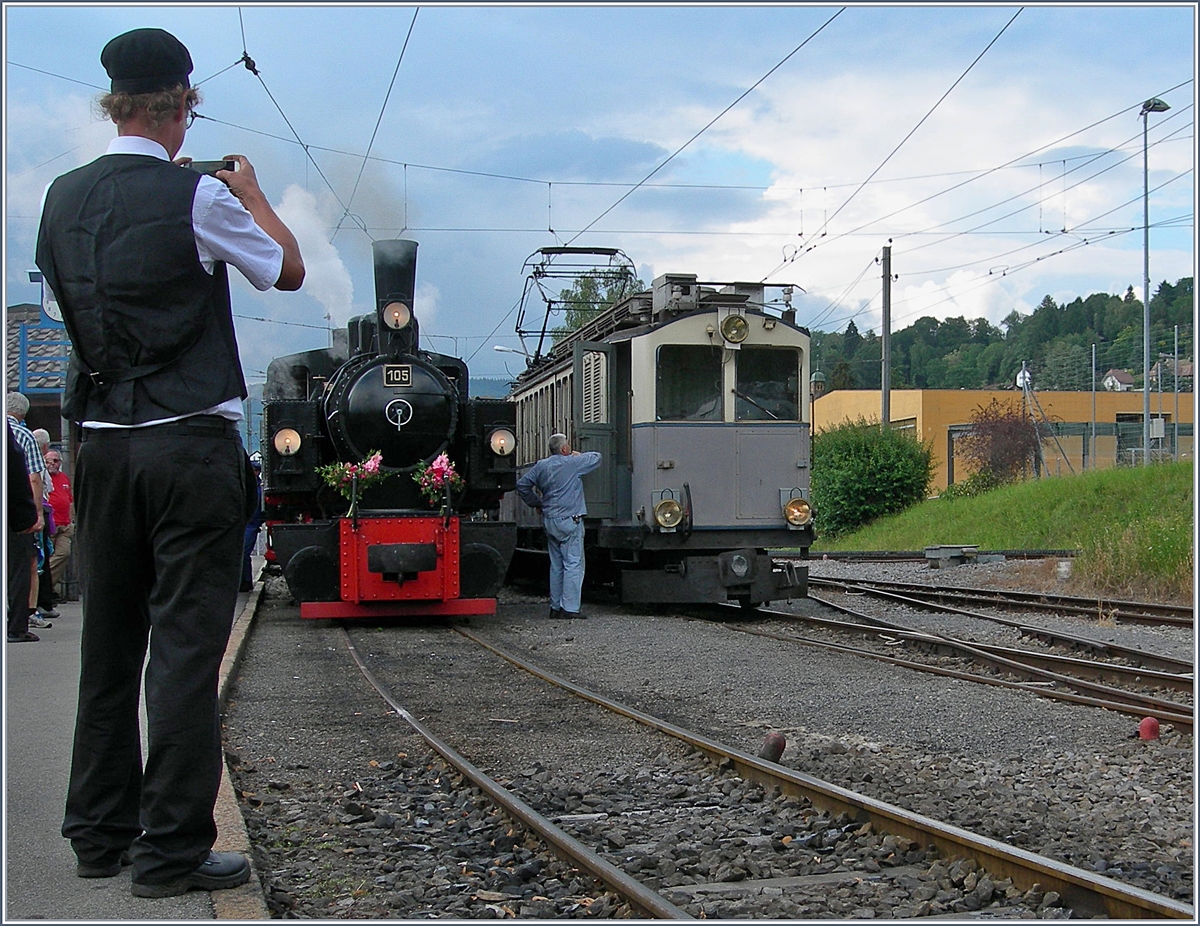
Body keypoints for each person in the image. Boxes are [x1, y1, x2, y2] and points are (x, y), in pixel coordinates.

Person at [36, 27, 304, 899]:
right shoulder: (196, 196)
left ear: (113, 103)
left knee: (108, 646)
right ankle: (172, 851)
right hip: (187, 445)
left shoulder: (58, 200)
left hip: (100, 448)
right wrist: (254, 195)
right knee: (185, 649)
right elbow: (287, 271)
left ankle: (99, 835)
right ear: (182, 105)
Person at [516, 433, 601, 619]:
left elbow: (522, 485)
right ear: (564, 449)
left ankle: (555, 606)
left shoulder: (541, 466)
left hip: (550, 519)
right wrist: (577, 455)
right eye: (568, 445)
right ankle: (570, 608)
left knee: (556, 565)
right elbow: (597, 457)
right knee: (573, 563)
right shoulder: (572, 463)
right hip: (570, 519)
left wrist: (536, 503)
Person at [6, 394, 49, 636]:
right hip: (13, 512)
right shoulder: (23, 435)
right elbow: (34, 478)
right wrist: (36, 516)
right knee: (20, 569)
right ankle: (16, 627)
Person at [31, 428, 60, 622]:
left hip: (41, 517)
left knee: (42, 560)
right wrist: (39, 514)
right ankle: (33, 608)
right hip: (33, 517)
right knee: (36, 563)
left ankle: (43, 601)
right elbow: (37, 483)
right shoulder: (35, 462)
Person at [43, 446, 75, 604]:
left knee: (64, 553)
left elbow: (69, 500)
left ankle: (46, 586)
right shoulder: (42, 477)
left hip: (65, 524)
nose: (53, 464)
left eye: (56, 461)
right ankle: (45, 588)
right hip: (50, 524)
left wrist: (71, 520)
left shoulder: (64, 478)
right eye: (50, 461)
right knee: (45, 557)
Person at [240, 456, 264, 592]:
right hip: (249, 523)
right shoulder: (252, 487)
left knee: (244, 552)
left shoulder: (257, 489)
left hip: (251, 524)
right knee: (243, 553)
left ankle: (246, 581)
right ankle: (243, 581)